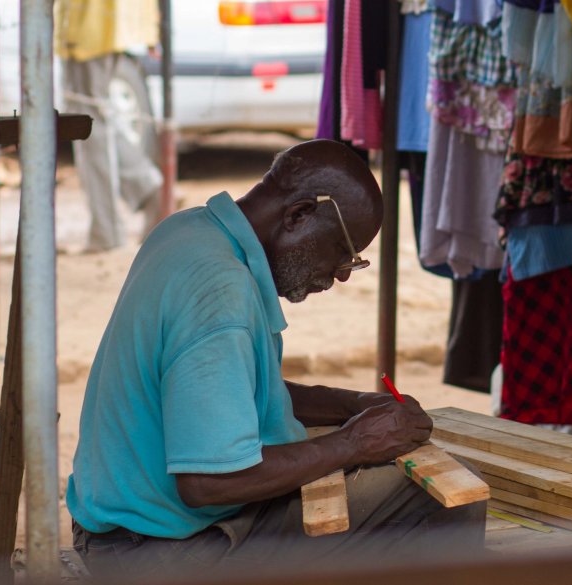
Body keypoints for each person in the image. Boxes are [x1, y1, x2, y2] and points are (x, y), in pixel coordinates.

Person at [66, 140, 487, 579]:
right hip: (154, 551)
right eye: (343, 251)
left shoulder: (190, 231)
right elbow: (207, 481)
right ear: (299, 215)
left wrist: (355, 405)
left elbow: (229, 392)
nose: (342, 273)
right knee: (447, 498)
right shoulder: (221, 292)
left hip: (120, 529)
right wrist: (354, 443)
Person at [56, 0, 164, 252]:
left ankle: (107, 230)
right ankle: (146, 188)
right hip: (108, 23)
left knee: (86, 123)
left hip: (89, 26)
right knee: (97, 117)